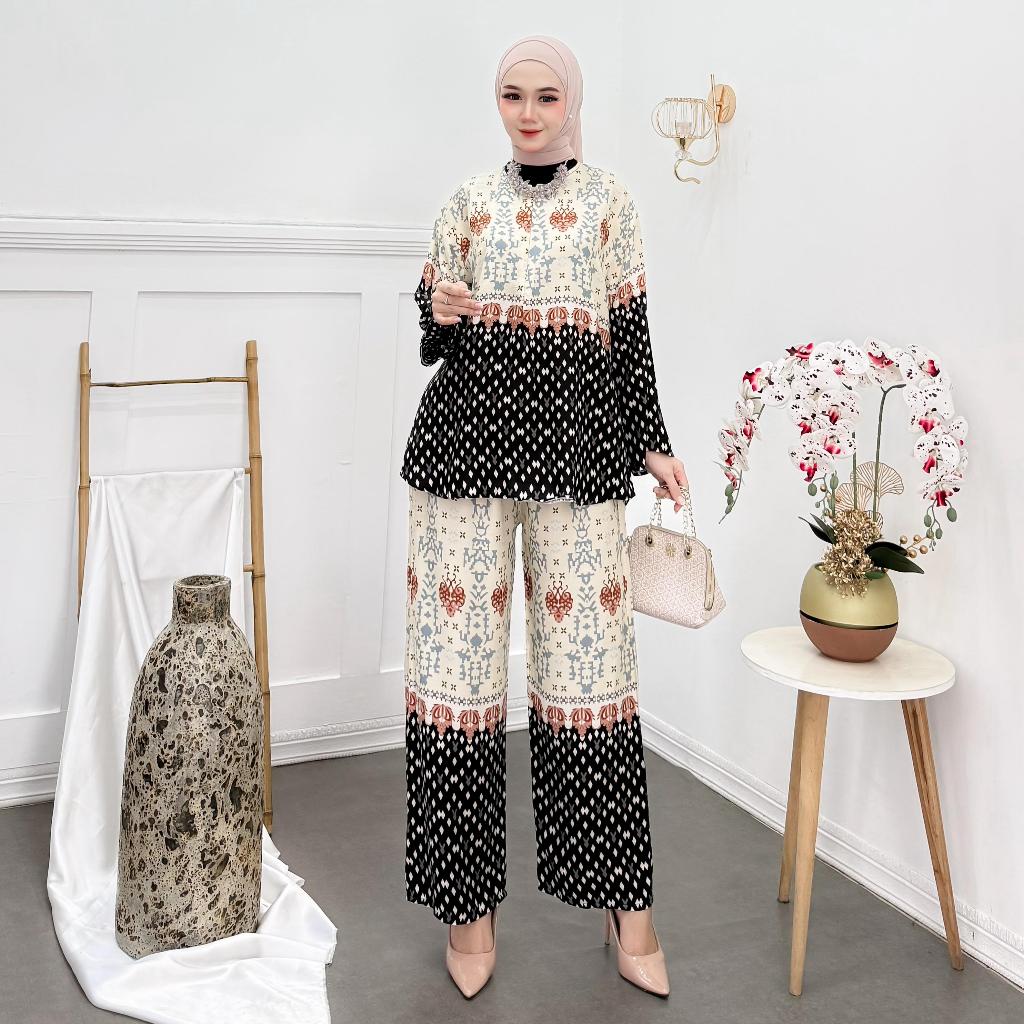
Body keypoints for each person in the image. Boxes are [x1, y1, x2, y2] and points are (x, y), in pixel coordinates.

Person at [400, 34, 688, 999]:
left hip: (580, 457)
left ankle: (629, 912)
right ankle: (468, 915)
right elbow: (434, 334)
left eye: (546, 96)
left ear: (573, 103)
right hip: (462, 457)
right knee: (459, 682)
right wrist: (439, 307)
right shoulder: (465, 202)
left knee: (590, 681)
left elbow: (631, 333)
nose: (529, 113)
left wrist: (653, 442)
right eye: (513, 96)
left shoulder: (612, 203)